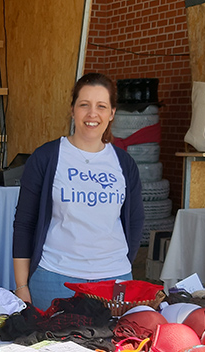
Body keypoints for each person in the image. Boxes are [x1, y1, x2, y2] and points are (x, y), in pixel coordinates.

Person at [12, 73, 144, 309]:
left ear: (112, 113)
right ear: (72, 110)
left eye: (101, 106)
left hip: (114, 280)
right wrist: (21, 286)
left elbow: (135, 222)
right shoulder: (46, 157)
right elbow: (24, 223)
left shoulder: (124, 163)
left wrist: (120, 263)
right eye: (84, 105)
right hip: (54, 278)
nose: (92, 114)